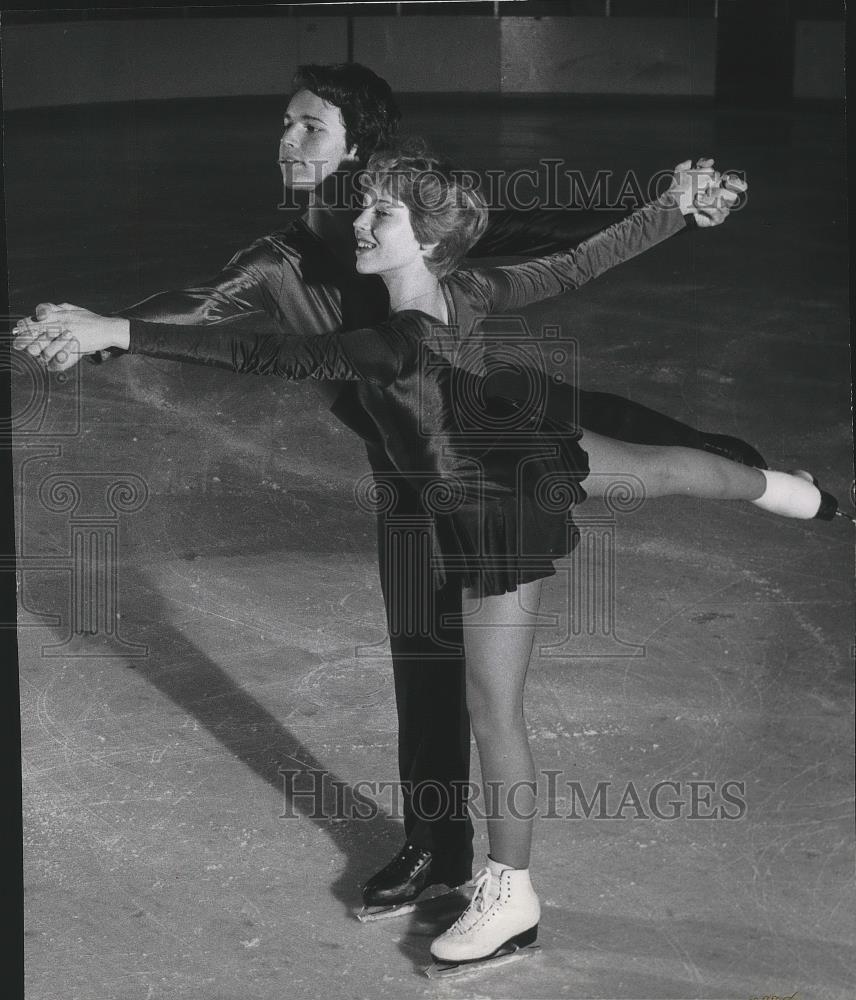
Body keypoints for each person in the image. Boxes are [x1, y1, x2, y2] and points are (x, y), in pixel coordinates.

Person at [14, 144, 843, 969]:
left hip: (491, 513)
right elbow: (584, 259)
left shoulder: (397, 341)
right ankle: (787, 491)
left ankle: (509, 893)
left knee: (493, 708)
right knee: (662, 468)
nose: (361, 223)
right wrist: (668, 207)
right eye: (365, 206)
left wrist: (119, 329)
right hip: (516, 443)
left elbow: (269, 355)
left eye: (382, 214)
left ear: (427, 241)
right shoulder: (469, 288)